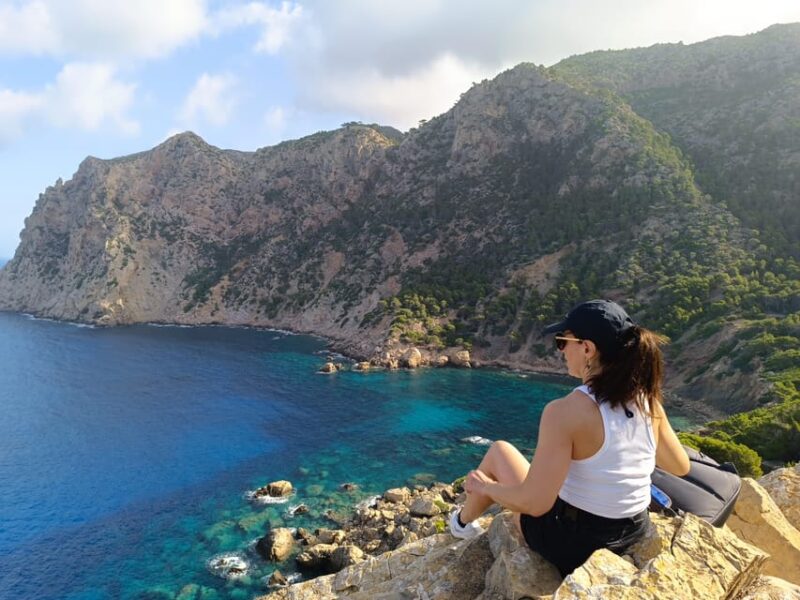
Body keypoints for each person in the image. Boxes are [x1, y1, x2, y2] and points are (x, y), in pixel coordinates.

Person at [450, 299, 690, 577]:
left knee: (499, 451)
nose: (561, 350)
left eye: (562, 342)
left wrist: (486, 489)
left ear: (587, 349)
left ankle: (461, 524)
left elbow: (534, 504)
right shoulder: (648, 403)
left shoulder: (564, 412)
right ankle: (461, 522)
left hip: (576, 545)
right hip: (635, 531)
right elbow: (680, 466)